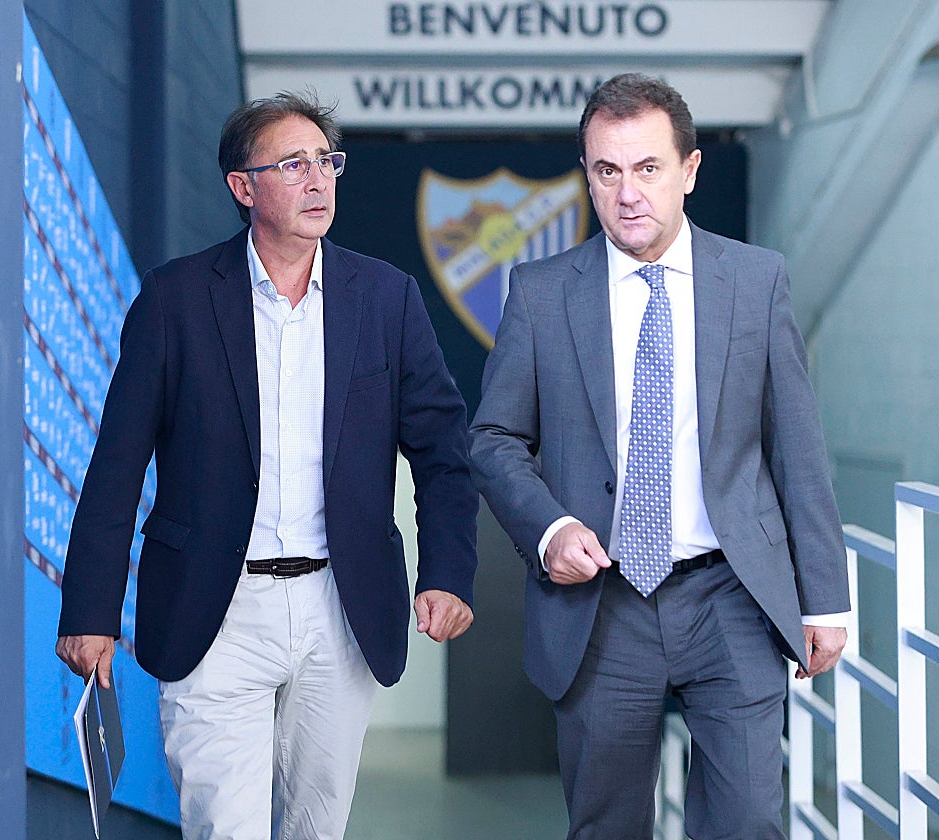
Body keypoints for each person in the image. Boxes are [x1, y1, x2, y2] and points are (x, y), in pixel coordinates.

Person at [56, 90, 477, 840]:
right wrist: (91, 608)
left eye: (327, 162)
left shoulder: (386, 298)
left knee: (317, 829)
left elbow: (444, 452)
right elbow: (118, 461)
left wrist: (446, 570)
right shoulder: (176, 299)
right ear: (243, 188)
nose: (318, 181)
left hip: (338, 609)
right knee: (227, 827)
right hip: (215, 610)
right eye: (293, 164)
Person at [469, 73, 850, 839]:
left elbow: (796, 446)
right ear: (588, 176)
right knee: (606, 826)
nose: (628, 192)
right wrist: (548, 530)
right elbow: (494, 437)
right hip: (601, 609)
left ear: (690, 171)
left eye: (648, 168)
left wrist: (826, 597)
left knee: (745, 821)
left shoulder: (754, 280)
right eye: (607, 171)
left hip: (731, 596)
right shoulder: (542, 293)